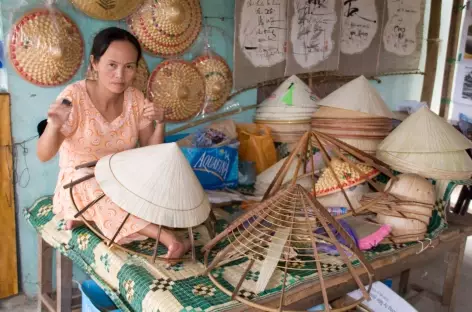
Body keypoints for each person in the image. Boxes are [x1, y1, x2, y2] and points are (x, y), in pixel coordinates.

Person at [37, 27, 191, 261]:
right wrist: (54, 125)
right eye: (112, 65)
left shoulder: (135, 99)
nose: (120, 75)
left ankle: (88, 217)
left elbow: (151, 152)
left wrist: (160, 123)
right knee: (94, 189)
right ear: (94, 63)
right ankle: (167, 238)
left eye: (129, 67)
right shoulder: (75, 96)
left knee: (157, 185)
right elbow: (43, 154)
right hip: (79, 183)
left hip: (120, 180)